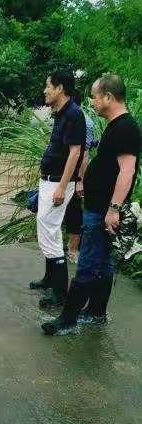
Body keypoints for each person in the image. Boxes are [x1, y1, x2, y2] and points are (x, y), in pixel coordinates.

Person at [42, 74, 141, 335]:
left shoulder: (126, 128)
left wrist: (114, 209)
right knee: (103, 262)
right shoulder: (116, 125)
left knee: (87, 262)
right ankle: (96, 312)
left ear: (109, 97)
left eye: (95, 96)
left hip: (103, 210)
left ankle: (67, 320)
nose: (92, 101)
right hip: (99, 206)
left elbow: (127, 171)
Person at [30, 70, 86, 309]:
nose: (45, 90)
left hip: (58, 184)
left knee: (50, 232)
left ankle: (60, 293)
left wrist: (63, 187)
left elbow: (76, 152)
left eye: (48, 86)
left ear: (60, 88)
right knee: (45, 229)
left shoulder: (74, 114)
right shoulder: (61, 113)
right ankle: (50, 279)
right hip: (49, 181)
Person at [64, 92, 97, 264]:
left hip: (77, 176)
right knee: (71, 210)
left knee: (75, 211)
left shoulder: (85, 122)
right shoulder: (67, 119)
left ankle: (73, 249)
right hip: (66, 175)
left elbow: (84, 154)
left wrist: (80, 181)